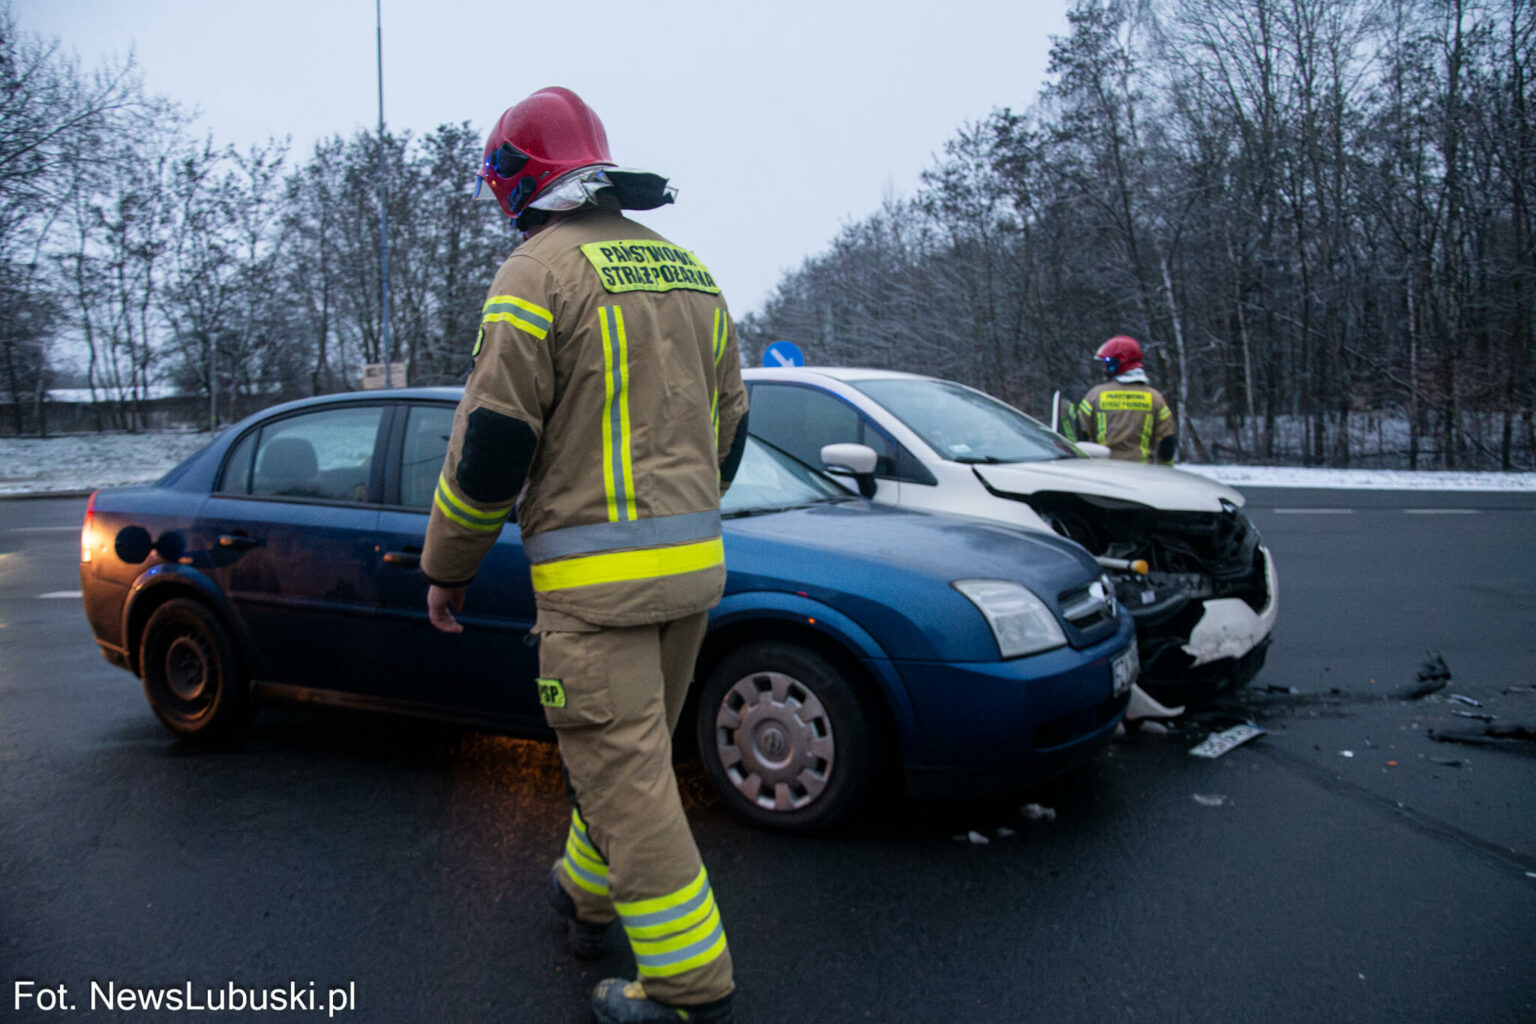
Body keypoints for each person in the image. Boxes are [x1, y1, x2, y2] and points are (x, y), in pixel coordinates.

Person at [420, 86, 748, 1024]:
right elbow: (731, 427)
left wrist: (447, 565)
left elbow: (491, 446)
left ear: (517, 181)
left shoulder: (536, 273)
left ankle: (690, 992)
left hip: (593, 595)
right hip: (690, 578)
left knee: (628, 777)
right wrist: (682, 515)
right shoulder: (687, 269)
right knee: (629, 758)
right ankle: (581, 893)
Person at [1074, 334, 1177, 464]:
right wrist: (1166, 474)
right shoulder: (1155, 398)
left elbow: (1079, 436)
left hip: (1103, 472)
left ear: (1116, 363)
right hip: (1142, 474)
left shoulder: (1095, 395)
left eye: (1107, 362)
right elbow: (1167, 445)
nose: (1105, 367)